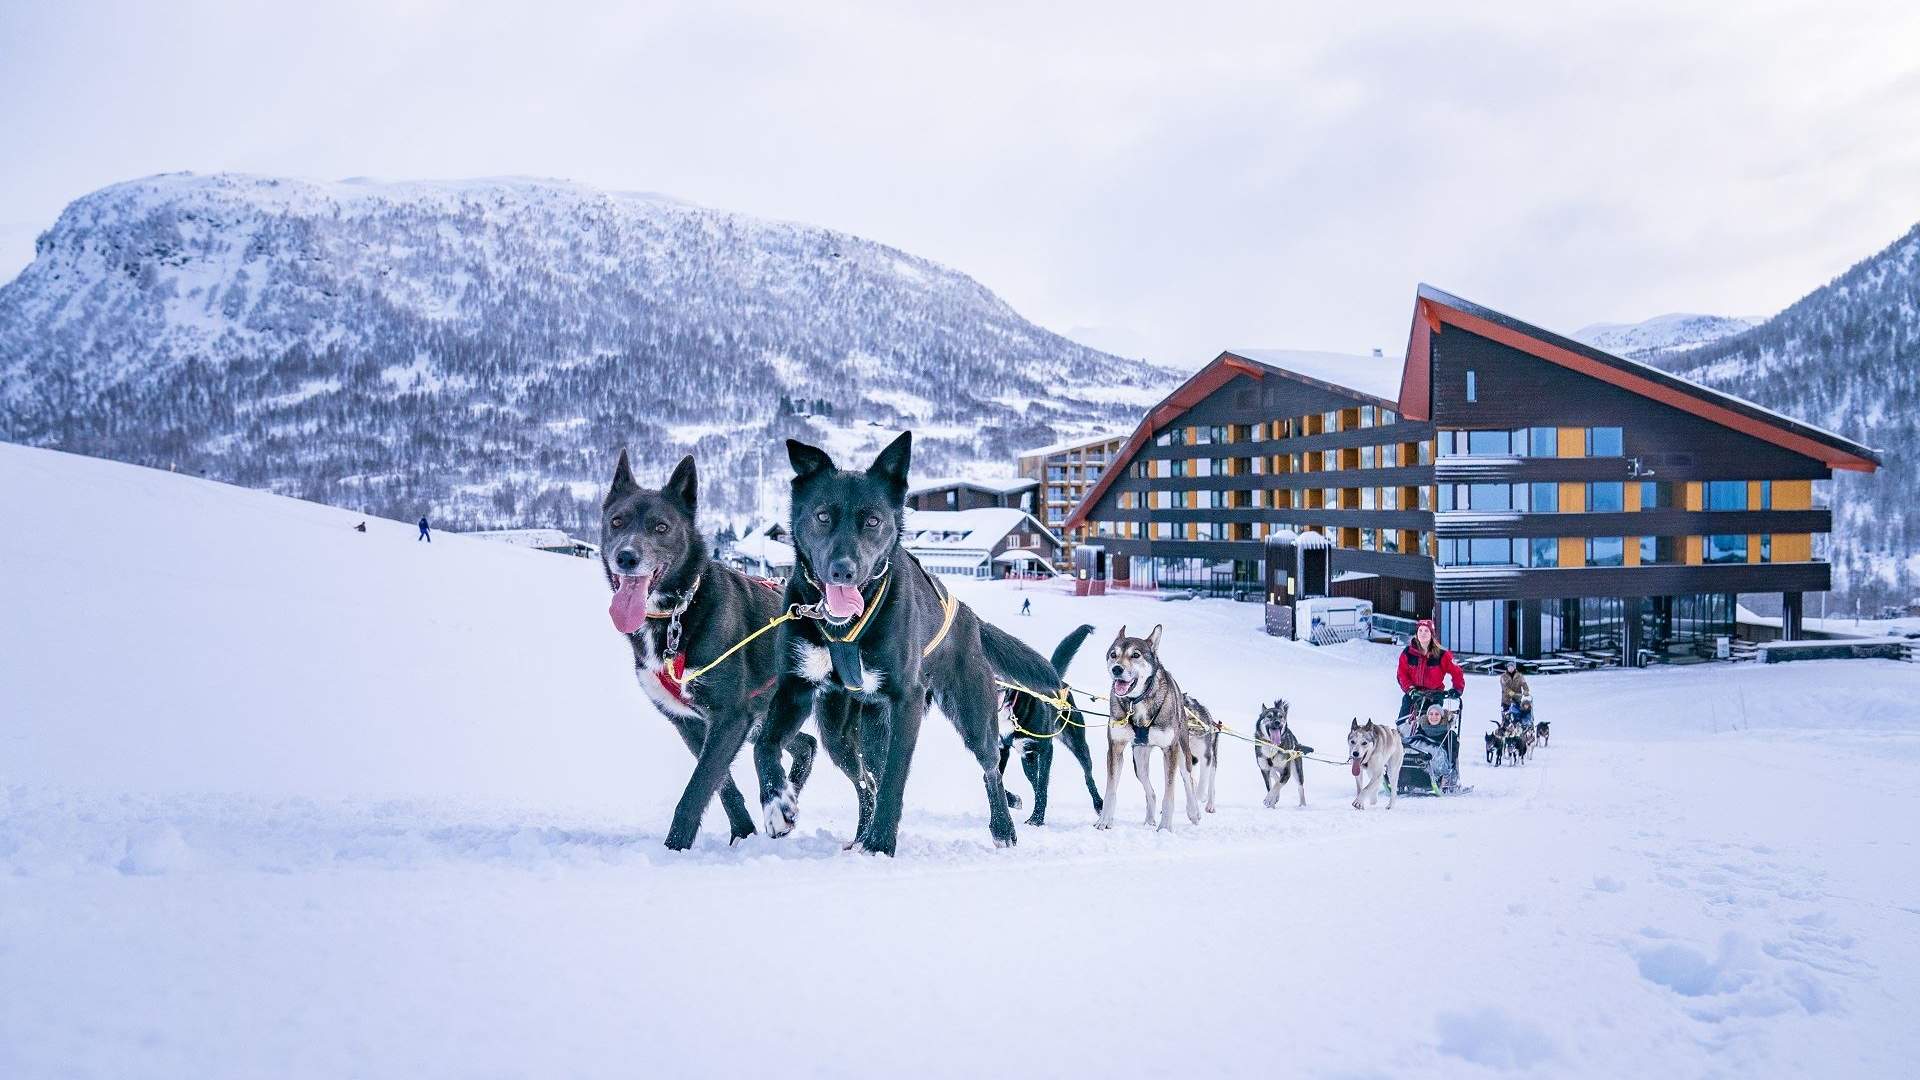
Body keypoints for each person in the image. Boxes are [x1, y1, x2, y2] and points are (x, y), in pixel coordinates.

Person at [1396, 618, 1464, 723]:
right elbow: (1401, 673)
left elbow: (1457, 672)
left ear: (1431, 634)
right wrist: (1410, 689)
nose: (1423, 633)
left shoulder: (1442, 654)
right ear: (1416, 633)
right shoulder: (1408, 653)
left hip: (1434, 695)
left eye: (1426, 631)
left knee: (1429, 726)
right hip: (1414, 695)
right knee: (1403, 724)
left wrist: (1457, 689)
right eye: (1420, 630)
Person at [1405, 700, 1459, 792]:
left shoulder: (1449, 734)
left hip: (1439, 767)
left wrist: (1450, 772)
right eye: (1431, 714)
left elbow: (1453, 756)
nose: (1433, 717)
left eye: (1437, 714)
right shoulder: (1421, 730)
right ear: (1427, 716)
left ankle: (1440, 781)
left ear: (1442, 717)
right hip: (1418, 765)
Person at [1499, 661, 1533, 727]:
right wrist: (1511, 693)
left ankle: (1519, 726)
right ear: (1507, 668)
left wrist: (1526, 690)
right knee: (1507, 716)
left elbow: (1524, 683)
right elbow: (1504, 687)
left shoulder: (1520, 676)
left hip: (1517, 699)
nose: (1510, 669)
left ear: (1514, 668)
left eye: (1512, 667)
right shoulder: (1503, 676)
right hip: (1506, 700)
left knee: (1518, 714)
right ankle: (1505, 727)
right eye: (1509, 667)